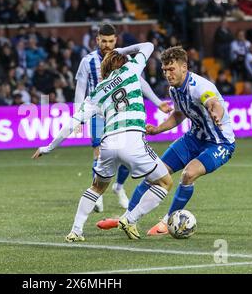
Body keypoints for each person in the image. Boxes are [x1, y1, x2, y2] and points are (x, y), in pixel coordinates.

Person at [33, 42, 174, 242]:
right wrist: (121, 51)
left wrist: (48, 147)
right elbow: (149, 45)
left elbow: (73, 123)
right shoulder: (131, 68)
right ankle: (130, 219)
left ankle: (76, 231)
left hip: (108, 143)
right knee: (164, 182)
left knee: (96, 188)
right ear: (122, 62)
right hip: (132, 138)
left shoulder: (98, 91)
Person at [96, 46, 236, 235]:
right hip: (193, 138)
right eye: (164, 70)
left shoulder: (200, 87)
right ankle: (127, 218)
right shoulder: (174, 89)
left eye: (172, 69)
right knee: (154, 173)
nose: (168, 74)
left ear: (184, 67)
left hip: (220, 143)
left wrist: (216, 114)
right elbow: (178, 115)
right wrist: (157, 129)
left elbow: (213, 102)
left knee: (188, 174)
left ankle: (167, 222)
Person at [74, 23, 171, 212]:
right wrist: (79, 117)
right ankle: (97, 194)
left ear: (116, 40)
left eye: (111, 41)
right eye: (104, 41)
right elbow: (81, 88)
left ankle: (119, 187)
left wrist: (158, 102)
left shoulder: (122, 59)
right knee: (99, 153)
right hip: (98, 113)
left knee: (128, 153)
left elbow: (139, 82)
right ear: (97, 40)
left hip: (122, 112)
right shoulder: (87, 61)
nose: (107, 44)